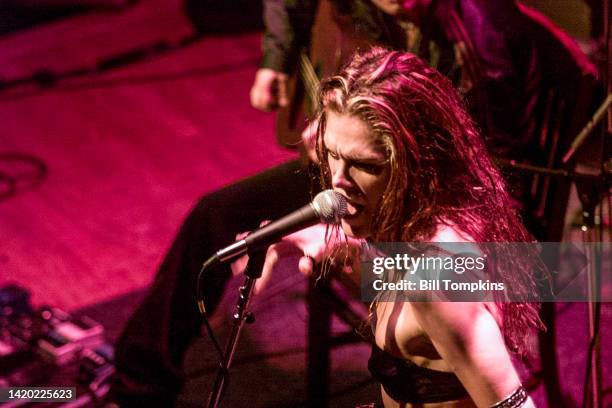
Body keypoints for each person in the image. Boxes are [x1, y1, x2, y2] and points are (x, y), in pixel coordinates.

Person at [109, 1, 594, 405]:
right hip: (392, 177)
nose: (332, 185)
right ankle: (138, 382)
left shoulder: (482, 45)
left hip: (472, 211)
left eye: (354, 165)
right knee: (217, 213)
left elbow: (486, 179)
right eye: (329, 159)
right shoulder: (402, 242)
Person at [260, 46, 543, 407]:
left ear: (417, 167)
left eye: (366, 165)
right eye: (333, 155)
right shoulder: (405, 228)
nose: (339, 181)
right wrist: (324, 240)